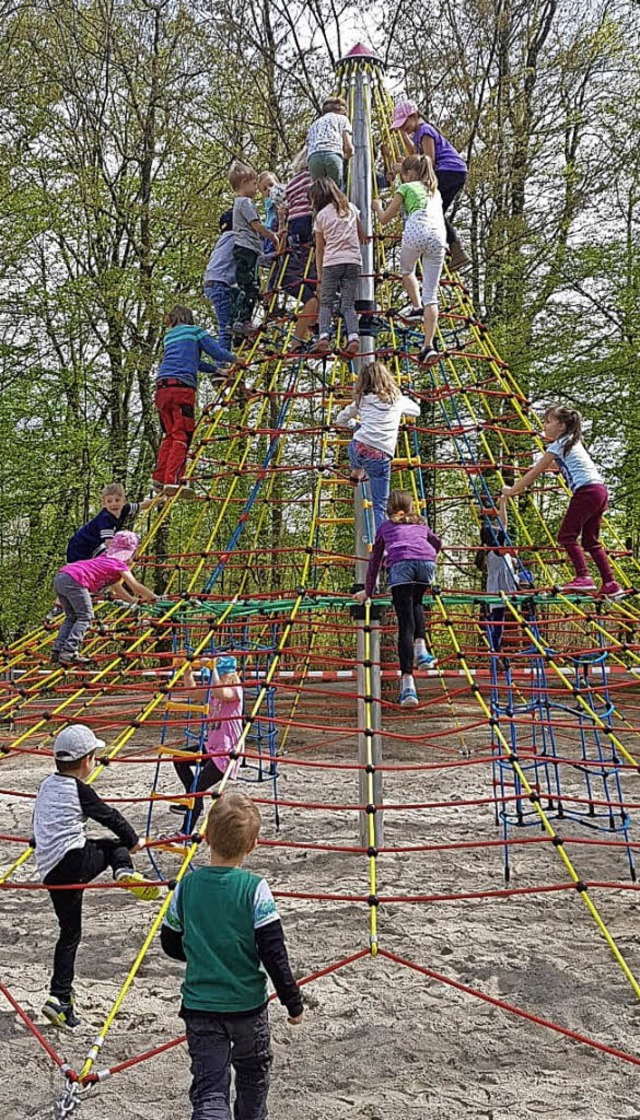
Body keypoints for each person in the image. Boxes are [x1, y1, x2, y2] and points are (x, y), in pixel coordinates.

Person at [161, 790, 303, 1120]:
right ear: (253, 846)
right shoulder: (255, 889)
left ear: (207, 837)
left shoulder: (186, 886)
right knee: (253, 1074)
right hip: (247, 1010)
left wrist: (203, 954)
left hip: (200, 1009)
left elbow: (170, 943)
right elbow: (273, 952)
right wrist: (292, 1002)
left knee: (209, 1087)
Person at [34, 723, 159, 1030]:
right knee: (113, 844)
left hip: (49, 870)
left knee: (70, 933)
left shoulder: (47, 785)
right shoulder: (80, 789)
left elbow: (39, 818)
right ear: (87, 760)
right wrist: (134, 841)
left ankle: (59, 999)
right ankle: (124, 870)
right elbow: (109, 816)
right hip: (72, 863)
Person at [501, 405, 623, 597]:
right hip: (600, 491)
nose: (544, 426)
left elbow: (535, 473)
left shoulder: (558, 445)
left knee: (566, 536)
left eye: (548, 422)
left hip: (586, 492)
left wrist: (512, 490)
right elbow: (550, 465)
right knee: (591, 541)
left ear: (561, 425)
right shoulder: (573, 443)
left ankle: (584, 577)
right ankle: (610, 583)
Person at [354, 490, 441, 707]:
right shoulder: (420, 524)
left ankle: (408, 687)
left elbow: (374, 561)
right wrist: (427, 554)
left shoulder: (385, 527)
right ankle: (422, 651)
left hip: (402, 564)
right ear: (411, 508)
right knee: (417, 604)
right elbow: (438, 543)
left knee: (404, 620)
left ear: (388, 510)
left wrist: (368, 591)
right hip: (427, 563)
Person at [152, 305, 237, 497]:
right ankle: (173, 480)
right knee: (182, 434)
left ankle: (159, 477)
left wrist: (215, 371)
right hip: (181, 389)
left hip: (162, 389)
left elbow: (194, 362)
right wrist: (235, 359)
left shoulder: (169, 337)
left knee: (170, 434)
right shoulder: (195, 332)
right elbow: (217, 352)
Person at [373, 153, 446, 364]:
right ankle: (428, 346)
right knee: (431, 295)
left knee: (407, 271)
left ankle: (416, 307)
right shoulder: (435, 192)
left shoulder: (405, 188)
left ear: (409, 173)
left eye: (403, 174)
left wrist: (377, 207)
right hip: (438, 237)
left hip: (416, 231)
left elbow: (385, 219)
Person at [335, 361, 420, 532]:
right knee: (380, 504)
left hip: (357, 447)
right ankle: (382, 545)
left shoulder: (362, 400)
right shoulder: (398, 399)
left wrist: (354, 423)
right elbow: (416, 411)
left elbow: (340, 419)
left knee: (360, 432)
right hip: (379, 455)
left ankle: (356, 470)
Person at [52, 530, 157, 666]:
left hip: (62, 576)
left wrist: (132, 600)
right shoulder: (118, 564)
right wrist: (153, 597)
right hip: (76, 580)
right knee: (85, 617)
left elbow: (116, 587)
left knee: (72, 616)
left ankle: (58, 650)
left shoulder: (105, 559)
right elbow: (135, 586)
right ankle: (69, 651)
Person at [390, 100, 470, 271]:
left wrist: (403, 167)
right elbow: (413, 153)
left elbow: (428, 160)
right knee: (434, 213)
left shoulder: (425, 130)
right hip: (453, 172)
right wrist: (402, 135)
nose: (404, 128)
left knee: (432, 213)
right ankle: (450, 250)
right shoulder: (418, 133)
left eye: (405, 125)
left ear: (414, 116)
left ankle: (454, 250)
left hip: (449, 171)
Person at [171, 655, 244, 835]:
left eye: (218, 674)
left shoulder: (235, 690)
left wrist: (212, 669)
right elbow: (192, 692)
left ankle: (186, 831)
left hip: (226, 753)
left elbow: (221, 693)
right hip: (211, 747)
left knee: (197, 788)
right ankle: (193, 800)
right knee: (179, 758)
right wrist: (187, 670)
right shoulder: (214, 690)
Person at [310, 177, 366, 357]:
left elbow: (320, 248)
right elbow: (360, 230)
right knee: (348, 305)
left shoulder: (320, 216)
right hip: (353, 262)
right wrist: (363, 236)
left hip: (332, 263)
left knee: (326, 302)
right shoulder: (349, 208)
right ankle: (353, 337)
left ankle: (324, 336)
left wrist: (320, 276)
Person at [229, 162, 279, 334]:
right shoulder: (245, 203)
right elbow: (256, 225)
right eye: (253, 184)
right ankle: (243, 320)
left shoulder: (238, 203)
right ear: (243, 182)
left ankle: (238, 321)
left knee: (249, 285)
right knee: (251, 287)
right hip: (247, 249)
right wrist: (272, 235)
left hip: (246, 249)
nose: (256, 189)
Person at [279, 148, 318, 352]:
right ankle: (296, 342)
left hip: (294, 227)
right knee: (314, 301)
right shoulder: (312, 178)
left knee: (316, 300)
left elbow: (286, 201)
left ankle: (310, 334)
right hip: (307, 222)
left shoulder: (292, 182)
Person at [66, 483, 156, 563]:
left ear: (124, 501)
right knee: (101, 562)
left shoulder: (124, 509)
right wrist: (129, 553)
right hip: (80, 548)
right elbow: (109, 543)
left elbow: (143, 505)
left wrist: (162, 499)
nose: (114, 504)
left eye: (117, 500)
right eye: (109, 501)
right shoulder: (106, 519)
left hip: (93, 546)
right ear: (104, 504)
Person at [479, 496, 518, 653]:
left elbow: (503, 524)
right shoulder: (497, 549)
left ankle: (495, 647)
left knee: (498, 619)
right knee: (498, 620)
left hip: (499, 587)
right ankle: (495, 647)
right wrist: (503, 503)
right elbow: (504, 523)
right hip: (503, 588)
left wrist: (503, 503)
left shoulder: (493, 550)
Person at [203, 209, 237, 353]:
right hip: (220, 284)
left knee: (240, 298)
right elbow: (258, 257)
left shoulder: (224, 238)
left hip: (213, 284)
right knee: (225, 328)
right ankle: (221, 367)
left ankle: (240, 334)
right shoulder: (237, 237)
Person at [306, 96, 353, 186]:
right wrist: (348, 156)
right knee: (335, 190)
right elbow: (348, 147)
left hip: (313, 158)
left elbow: (308, 145)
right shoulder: (342, 119)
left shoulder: (314, 124)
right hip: (333, 154)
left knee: (320, 191)